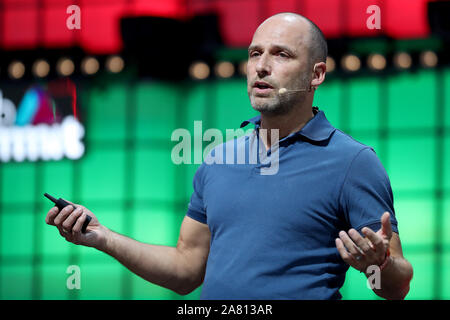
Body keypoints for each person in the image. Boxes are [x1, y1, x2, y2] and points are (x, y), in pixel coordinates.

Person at [45, 12, 413, 300]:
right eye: (255, 54)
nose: (261, 66)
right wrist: (102, 236)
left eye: (281, 54)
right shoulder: (218, 159)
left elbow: (397, 287)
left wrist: (378, 264)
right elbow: (186, 270)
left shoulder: (353, 162)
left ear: (316, 74)